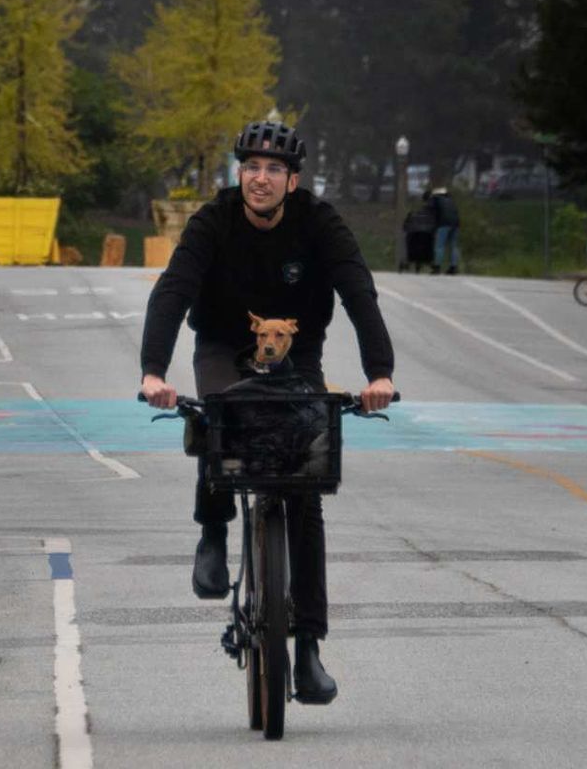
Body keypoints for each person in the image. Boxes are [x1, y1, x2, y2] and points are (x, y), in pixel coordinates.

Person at [139, 119, 397, 707]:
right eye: (251, 167)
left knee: (304, 488)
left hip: (297, 355)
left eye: (273, 169)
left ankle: (307, 648)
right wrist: (154, 371)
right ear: (240, 174)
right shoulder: (214, 221)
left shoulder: (319, 223)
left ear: (292, 179)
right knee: (223, 416)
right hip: (225, 347)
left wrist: (379, 373)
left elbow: (358, 292)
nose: (260, 178)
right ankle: (212, 528)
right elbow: (173, 291)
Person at [430, 185, 462, 275]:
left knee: (439, 246)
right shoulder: (450, 200)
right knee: (454, 246)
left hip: (443, 223)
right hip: (455, 224)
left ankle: (437, 267)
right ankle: (453, 267)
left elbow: (431, 211)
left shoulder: (435, 199)